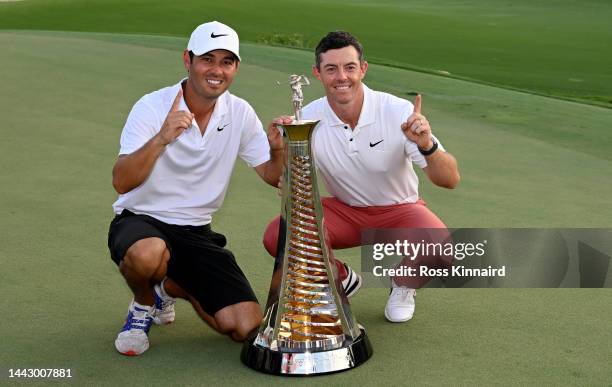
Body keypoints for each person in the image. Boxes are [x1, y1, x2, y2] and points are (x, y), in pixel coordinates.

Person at [108, 21, 286, 356]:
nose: (217, 70)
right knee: (147, 255)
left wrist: (277, 149)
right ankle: (144, 303)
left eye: (227, 61)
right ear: (187, 60)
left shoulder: (240, 112)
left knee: (245, 326)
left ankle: (169, 285)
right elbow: (121, 181)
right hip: (141, 220)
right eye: (208, 59)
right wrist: (161, 138)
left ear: (235, 68)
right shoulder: (152, 106)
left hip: (195, 233)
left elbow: (273, 176)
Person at [263, 31, 460, 323]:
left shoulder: (397, 111)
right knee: (277, 236)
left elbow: (450, 179)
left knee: (444, 253)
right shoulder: (307, 117)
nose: (341, 77)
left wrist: (427, 145)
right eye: (331, 69)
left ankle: (403, 282)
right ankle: (341, 277)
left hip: (400, 211)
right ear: (317, 73)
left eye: (349, 67)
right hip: (345, 212)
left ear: (363, 69)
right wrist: (278, 150)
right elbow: (282, 180)